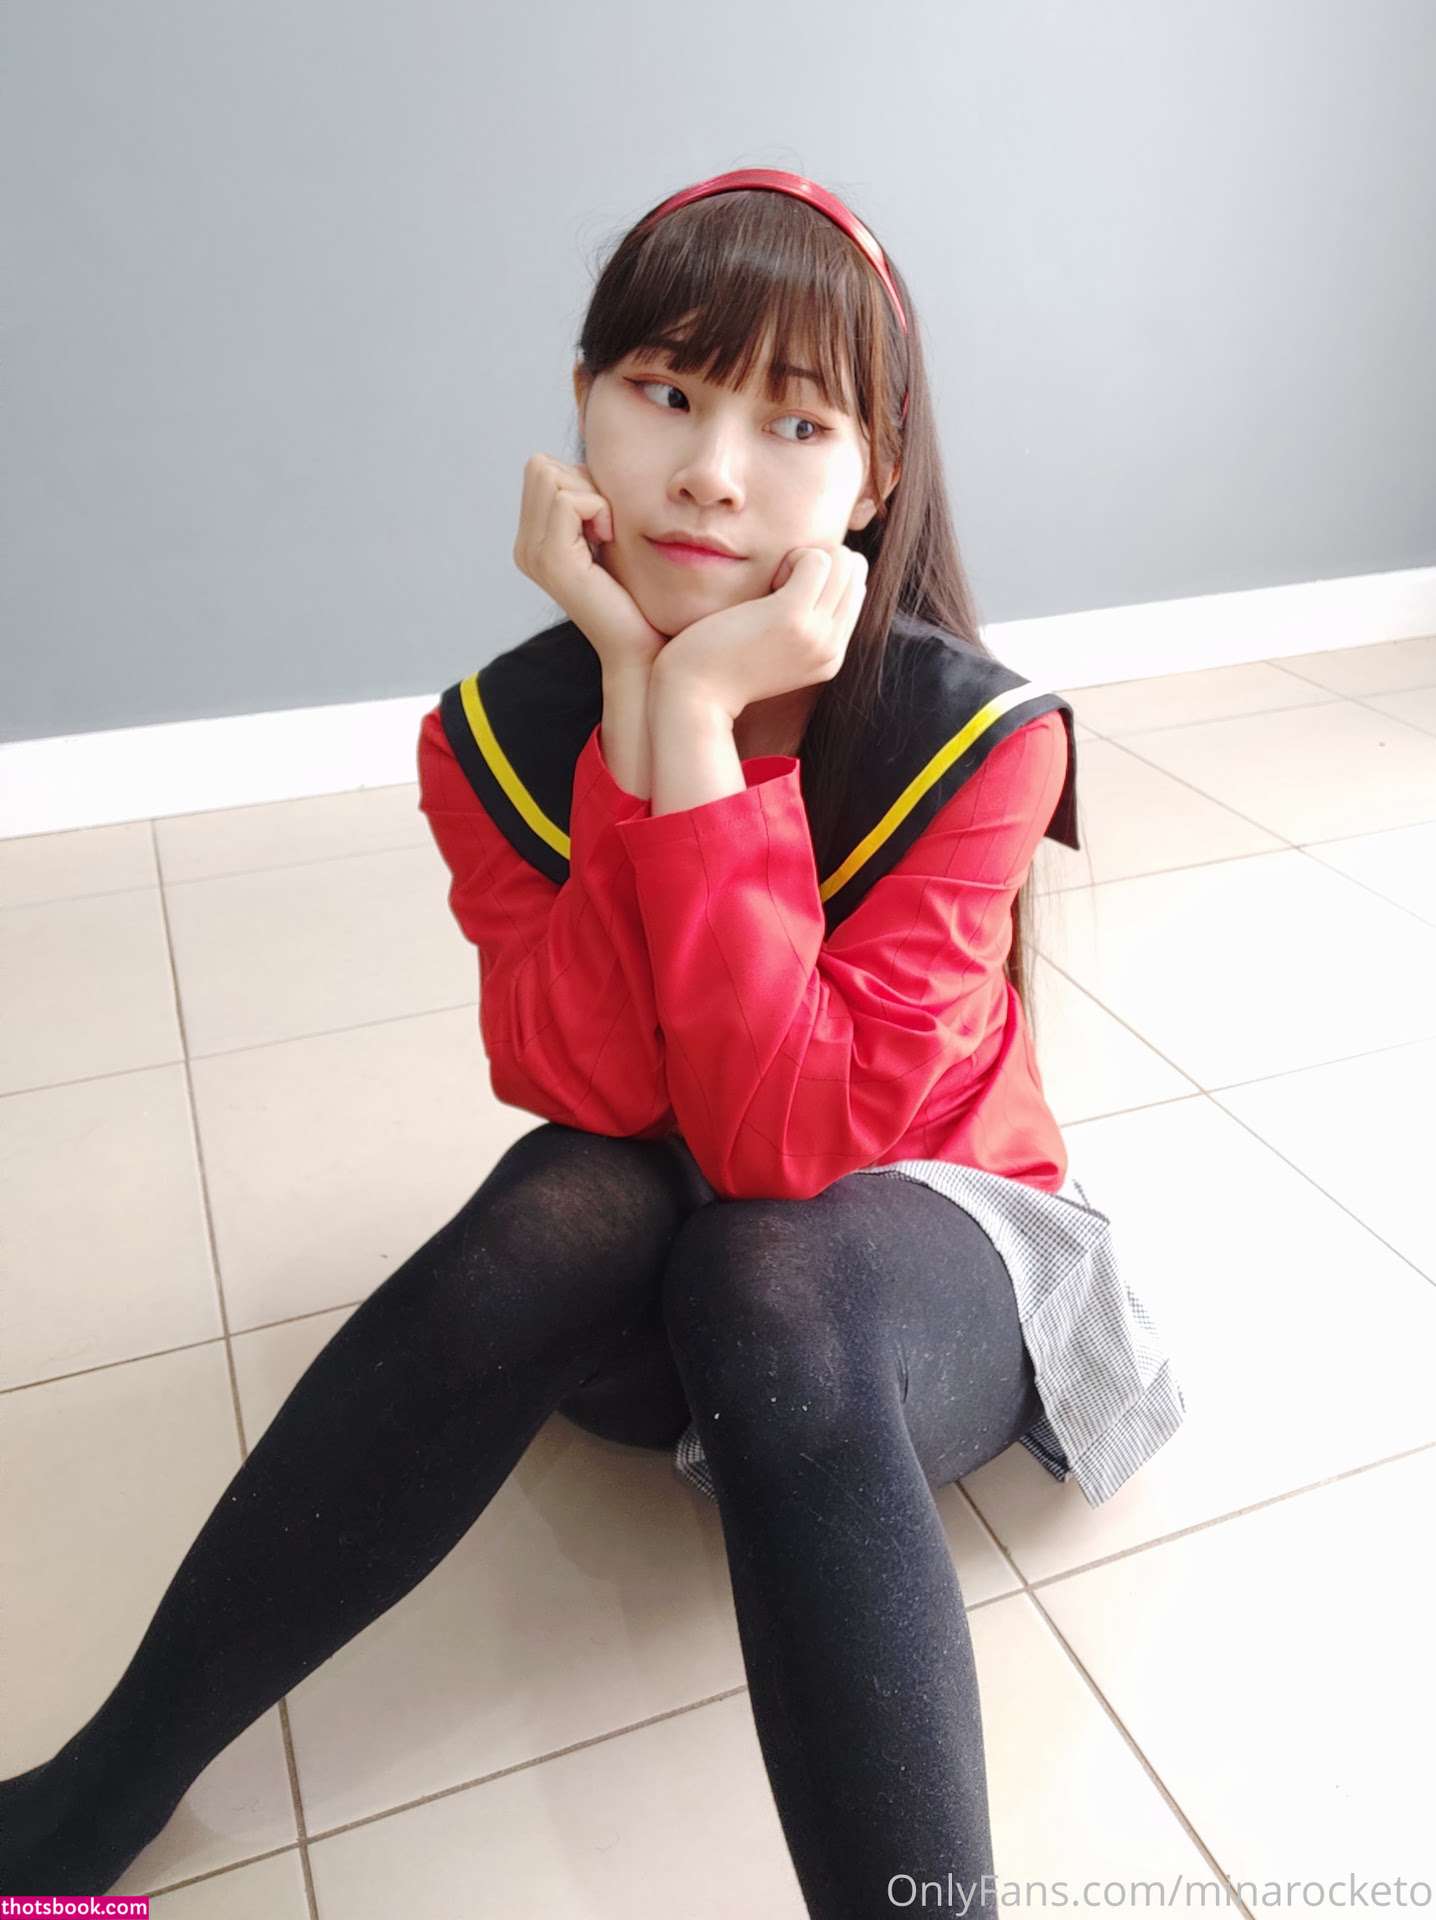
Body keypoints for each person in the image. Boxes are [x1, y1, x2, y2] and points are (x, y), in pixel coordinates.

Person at [0, 169, 1185, 1914]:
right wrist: (640, 683)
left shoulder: (979, 743)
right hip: (686, 1281)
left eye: (797, 423)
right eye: (668, 391)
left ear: (875, 480)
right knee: (568, 1202)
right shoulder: (491, 736)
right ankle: (86, 1812)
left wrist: (698, 710)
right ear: (583, 407)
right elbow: (604, 1092)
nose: (713, 468)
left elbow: (785, 1152)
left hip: (913, 1282)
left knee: (766, 1269)